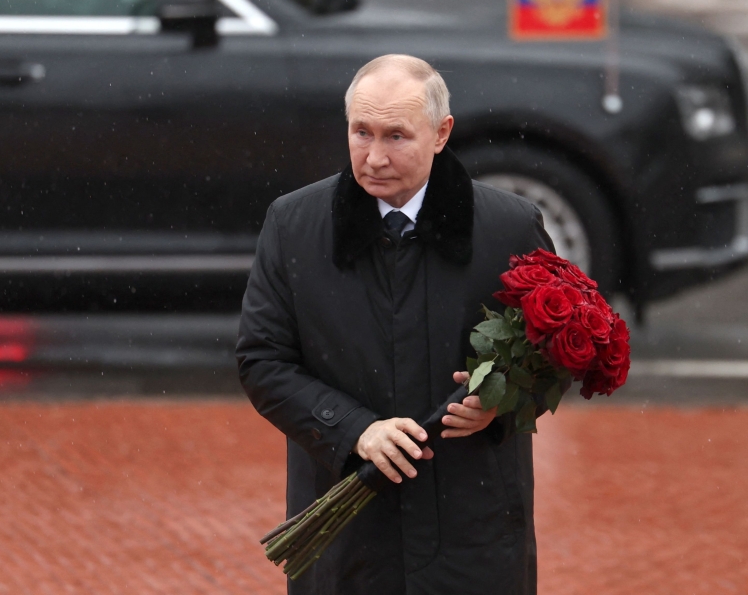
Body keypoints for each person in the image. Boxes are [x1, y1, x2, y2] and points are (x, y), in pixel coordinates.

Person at [236, 54, 554, 594]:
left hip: (473, 536)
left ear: (441, 133)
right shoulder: (293, 224)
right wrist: (354, 429)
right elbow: (261, 361)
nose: (374, 157)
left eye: (396, 136)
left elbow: (555, 354)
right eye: (361, 132)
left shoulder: (510, 228)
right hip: (349, 544)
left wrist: (503, 402)